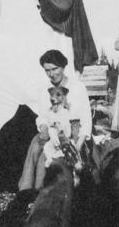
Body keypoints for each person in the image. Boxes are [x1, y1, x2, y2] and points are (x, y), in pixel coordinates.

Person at [18, 49, 92, 190]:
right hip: (52, 129)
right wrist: (44, 128)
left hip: (74, 130)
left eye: (55, 69)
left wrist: (78, 145)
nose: (51, 74)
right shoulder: (45, 89)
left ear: (63, 67)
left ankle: (51, 189)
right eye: (47, 70)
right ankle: (28, 189)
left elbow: (86, 120)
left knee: (60, 159)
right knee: (36, 148)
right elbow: (43, 116)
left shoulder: (77, 87)